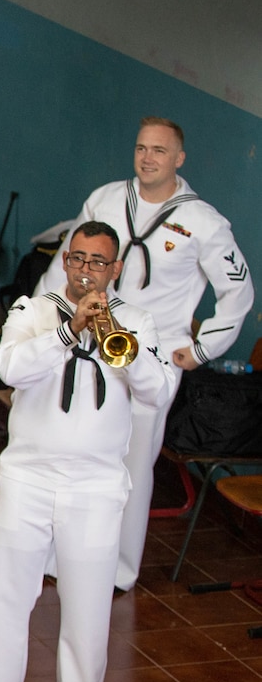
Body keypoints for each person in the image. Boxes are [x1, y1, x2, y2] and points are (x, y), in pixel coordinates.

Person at [0, 222, 175, 682]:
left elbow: (159, 391)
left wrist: (126, 348)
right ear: (66, 262)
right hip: (28, 477)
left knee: (89, 608)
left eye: (99, 262)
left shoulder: (138, 322)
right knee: (7, 598)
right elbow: (8, 368)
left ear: (115, 270)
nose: (87, 270)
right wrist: (69, 333)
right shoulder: (33, 310)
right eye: (78, 259)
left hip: (96, 485)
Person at [35, 117, 253, 593]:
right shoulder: (107, 198)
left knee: (132, 466)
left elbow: (239, 293)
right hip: (90, 341)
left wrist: (201, 348)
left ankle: (118, 570)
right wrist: (42, 325)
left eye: (159, 150)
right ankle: (56, 558)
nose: (147, 157)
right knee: (74, 449)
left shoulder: (203, 221)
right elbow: (63, 268)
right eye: (140, 148)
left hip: (153, 354)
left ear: (179, 158)